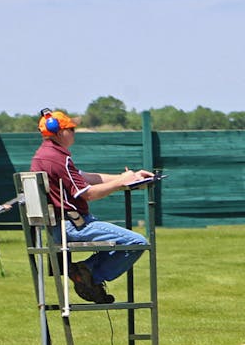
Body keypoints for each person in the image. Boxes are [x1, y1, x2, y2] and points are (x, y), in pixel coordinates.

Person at [29, 109, 154, 304]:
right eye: (72, 129)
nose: (74, 132)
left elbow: (86, 177)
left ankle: (85, 272)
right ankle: (89, 275)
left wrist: (127, 177)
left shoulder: (46, 155)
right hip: (73, 225)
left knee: (127, 242)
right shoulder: (58, 158)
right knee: (137, 242)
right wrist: (120, 184)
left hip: (62, 225)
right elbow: (88, 194)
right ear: (60, 132)